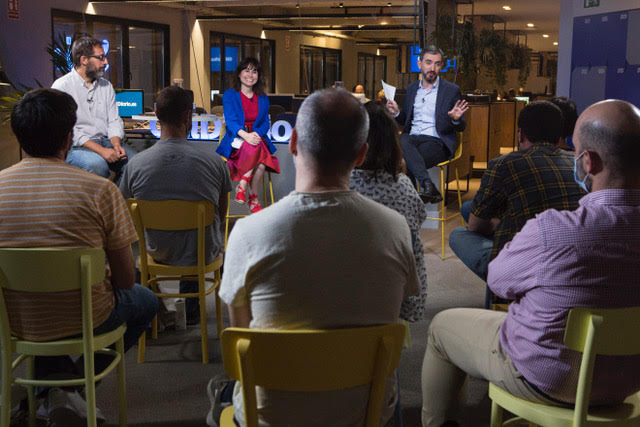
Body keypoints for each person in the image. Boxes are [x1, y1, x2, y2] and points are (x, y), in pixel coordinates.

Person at [421, 99, 640, 427]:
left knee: (441, 327)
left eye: (576, 149)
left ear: (589, 162)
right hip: (628, 383)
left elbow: (498, 280)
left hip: (549, 377)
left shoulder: (554, 229)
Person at [207, 88, 419, 427]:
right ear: (361, 154)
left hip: (271, 415)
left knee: (220, 394)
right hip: (366, 412)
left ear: (292, 144)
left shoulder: (248, 234)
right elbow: (394, 313)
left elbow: (242, 334)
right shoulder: (394, 229)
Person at [1, 88, 158, 425]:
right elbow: (126, 279)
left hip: (13, 320)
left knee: (40, 305)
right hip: (84, 316)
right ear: (69, 137)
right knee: (144, 301)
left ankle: (49, 390)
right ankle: (73, 390)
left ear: (19, 135)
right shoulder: (100, 190)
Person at [119, 86, 231, 326]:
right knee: (198, 237)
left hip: (157, 251)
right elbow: (221, 215)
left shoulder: (135, 166)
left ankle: (153, 311)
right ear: (187, 116)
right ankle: (192, 311)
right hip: (202, 253)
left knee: (162, 244)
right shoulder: (216, 163)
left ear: (156, 114)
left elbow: (124, 215)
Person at [448, 101, 584, 282]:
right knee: (470, 208)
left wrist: (502, 224)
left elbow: (475, 225)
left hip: (523, 263)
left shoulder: (503, 163)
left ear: (520, 134)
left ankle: (498, 281)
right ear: (559, 135)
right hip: (570, 260)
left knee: (459, 234)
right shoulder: (578, 162)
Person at [350, 101, 428, 322]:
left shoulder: (342, 186)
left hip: (349, 297)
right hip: (397, 300)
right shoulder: (404, 187)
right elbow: (418, 219)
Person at [386, 45, 469, 203]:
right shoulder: (412, 89)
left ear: (441, 66)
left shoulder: (451, 90)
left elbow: (461, 126)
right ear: (420, 64)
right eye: (428, 62)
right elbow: (405, 122)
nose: (432, 68)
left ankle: (409, 205)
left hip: (437, 142)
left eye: (437, 64)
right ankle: (427, 187)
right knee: (404, 139)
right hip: (413, 139)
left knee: (403, 160)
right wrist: (397, 113)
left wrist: (455, 119)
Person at [51, 36, 136, 181]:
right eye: (101, 58)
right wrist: (102, 151)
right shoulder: (62, 87)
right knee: (98, 166)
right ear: (84, 60)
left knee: (136, 163)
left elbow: (114, 120)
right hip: (77, 147)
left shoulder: (106, 86)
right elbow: (68, 130)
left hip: (107, 141)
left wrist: (116, 145)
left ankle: (114, 201)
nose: (106, 62)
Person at [216, 57, 280, 213]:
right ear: (239, 74)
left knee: (257, 150)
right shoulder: (229, 95)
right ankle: (254, 199)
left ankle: (242, 186)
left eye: (255, 71)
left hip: (256, 138)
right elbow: (230, 121)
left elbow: (265, 122)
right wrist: (247, 136)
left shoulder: (263, 98)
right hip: (236, 139)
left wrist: (256, 134)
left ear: (258, 76)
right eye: (247, 70)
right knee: (261, 158)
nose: (251, 75)